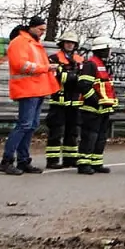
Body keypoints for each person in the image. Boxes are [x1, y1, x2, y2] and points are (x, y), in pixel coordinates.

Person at [1, 15, 56, 174]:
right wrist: (46, 68)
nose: (42, 33)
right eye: (40, 29)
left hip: (36, 89)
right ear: (31, 27)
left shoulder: (34, 44)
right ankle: (7, 160)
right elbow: (21, 65)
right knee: (24, 125)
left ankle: (23, 161)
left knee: (30, 125)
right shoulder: (19, 42)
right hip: (27, 89)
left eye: (44, 30)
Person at [75, 38, 117, 174]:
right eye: (108, 49)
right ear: (102, 50)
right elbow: (84, 86)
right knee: (89, 136)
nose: (110, 52)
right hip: (91, 108)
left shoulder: (102, 65)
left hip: (103, 109)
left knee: (101, 136)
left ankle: (96, 162)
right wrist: (97, 100)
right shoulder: (90, 64)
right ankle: (84, 164)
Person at [44, 34, 85, 169]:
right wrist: (73, 77)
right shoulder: (54, 58)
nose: (69, 45)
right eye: (67, 42)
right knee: (56, 132)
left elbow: (84, 78)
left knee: (73, 132)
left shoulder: (80, 59)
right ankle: (52, 160)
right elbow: (57, 77)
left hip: (75, 102)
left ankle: (70, 159)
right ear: (62, 43)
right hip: (58, 102)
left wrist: (71, 77)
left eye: (72, 43)